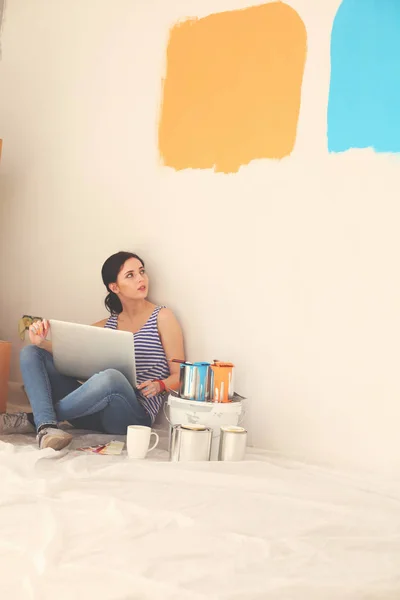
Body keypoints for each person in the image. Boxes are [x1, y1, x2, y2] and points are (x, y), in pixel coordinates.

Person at [0, 251, 184, 450]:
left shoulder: (162, 317)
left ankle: (36, 418)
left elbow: (181, 374)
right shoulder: (107, 325)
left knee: (111, 378)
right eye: (130, 275)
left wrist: (161, 385)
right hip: (91, 412)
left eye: (142, 272)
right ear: (114, 287)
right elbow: (70, 351)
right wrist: (42, 342)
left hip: (132, 416)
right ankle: (46, 427)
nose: (141, 279)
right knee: (31, 352)